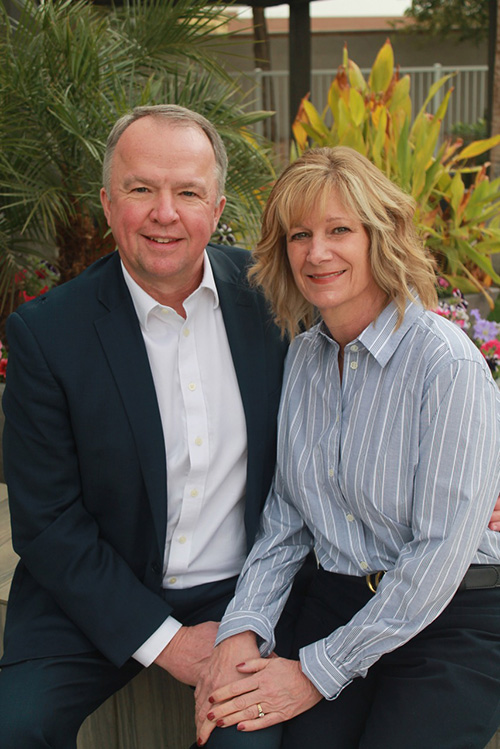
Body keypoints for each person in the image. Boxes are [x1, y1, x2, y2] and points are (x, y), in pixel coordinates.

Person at [0, 105, 290, 749]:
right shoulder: (48, 334)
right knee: (13, 728)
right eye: (141, 189)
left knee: (251, 743)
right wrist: (167, 643)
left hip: (246, 594)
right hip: (94, 592)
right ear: (107, 204)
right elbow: (47, 522)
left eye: (188, 192)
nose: (165, 213)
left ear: (217, 211)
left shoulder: (276, 300)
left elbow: (380, 355)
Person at [195, 146, 500, 749]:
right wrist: (241, 629)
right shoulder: (305, 358)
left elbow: (439, 553)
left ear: (379, 237)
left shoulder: (445, 362)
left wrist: (314, 672)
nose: (317, 252)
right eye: (300, 234)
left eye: (340, 230)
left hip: (450, 616)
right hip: (339, 599)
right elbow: (286, 519)